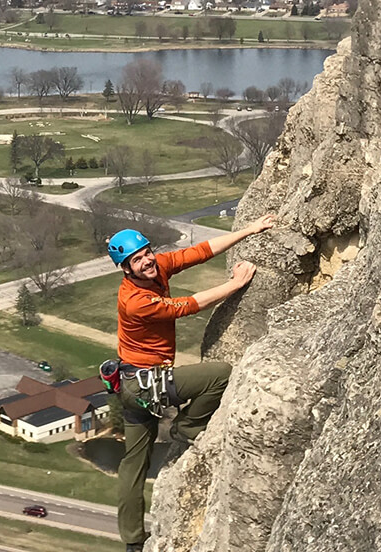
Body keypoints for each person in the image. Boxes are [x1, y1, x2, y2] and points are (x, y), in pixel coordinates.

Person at [109, 214, 276, 552]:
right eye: (136, 260)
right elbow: (185, 306)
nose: (146, 261)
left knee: (133, 463)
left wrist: (248, 230)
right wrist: (235, 285)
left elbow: (197, 253)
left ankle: (131, 544)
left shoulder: (155, 270)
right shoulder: (136, 300)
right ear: (126, 269)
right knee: (220, 374)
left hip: (132, 383)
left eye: (146, 253)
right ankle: (188, 426)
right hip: (144, 383)